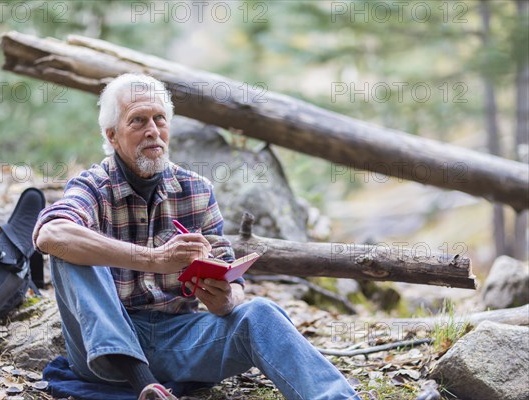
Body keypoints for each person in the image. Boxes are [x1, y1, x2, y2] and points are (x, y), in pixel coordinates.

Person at [33, 73, 360, 400]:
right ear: (113, 136)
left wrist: (224, 299)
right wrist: (154, 260)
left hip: (178, 342)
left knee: (260, 313)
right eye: (137, 121)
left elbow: (234, 285)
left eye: (160, 119)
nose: (153, 130)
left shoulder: (196, 190)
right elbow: (50, 234)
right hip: (101, 354)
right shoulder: (92, 186)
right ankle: (142, 382)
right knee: (72, 249)